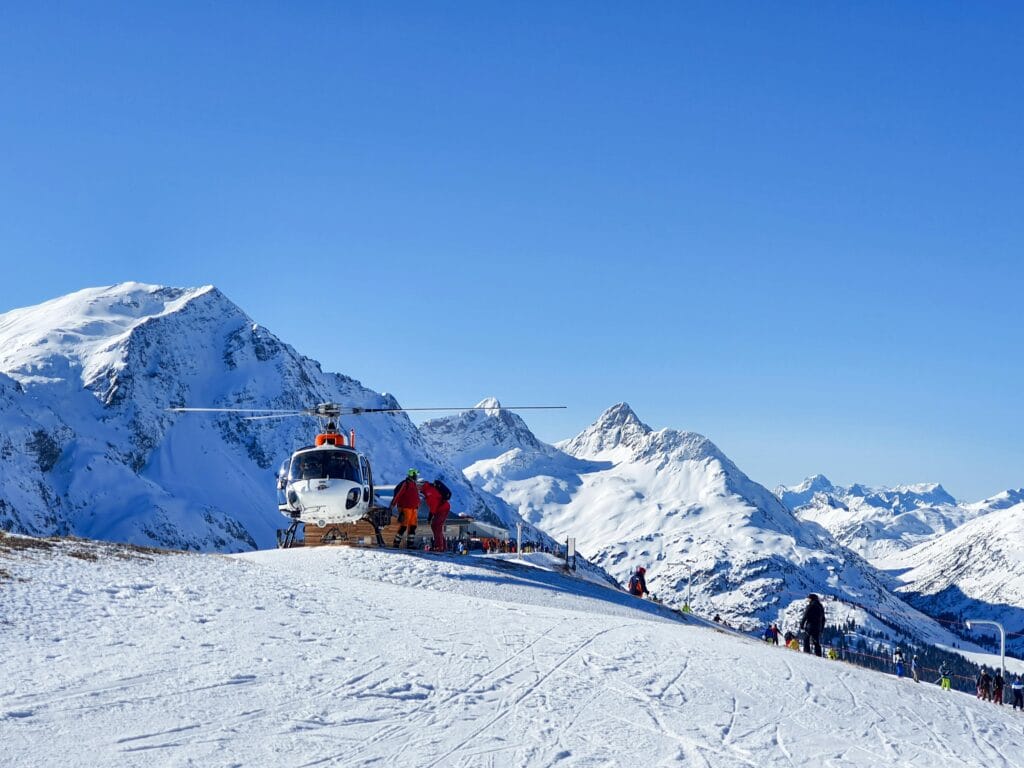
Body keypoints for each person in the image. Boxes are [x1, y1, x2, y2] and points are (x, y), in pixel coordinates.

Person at [390, 469, 422, 549]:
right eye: (416, 475)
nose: (417, 477)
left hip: (413, 509)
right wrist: (392, 505)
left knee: (413, 526)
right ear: (413, 475)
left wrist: (418, 504)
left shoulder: (413, 484)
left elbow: (416, 496)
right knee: (403, 526)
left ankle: (410, 544)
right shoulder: (405, 484)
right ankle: (396, 543)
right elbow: (398, 494)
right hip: (405, 508)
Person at [420, 478, 451, 553]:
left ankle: (439, 547)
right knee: (436, 526)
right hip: (443, 508)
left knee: (436, 526)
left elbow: (433, 506)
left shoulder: (429, 492)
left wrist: (429, 518)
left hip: (442, 509)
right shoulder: (428, 489)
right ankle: (443, 546)